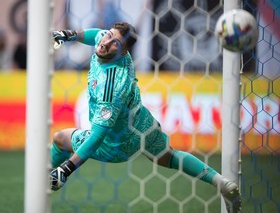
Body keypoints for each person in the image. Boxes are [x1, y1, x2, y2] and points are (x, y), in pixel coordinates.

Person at [50, 22, 241, 212]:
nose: (105, 42)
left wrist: (67, 168)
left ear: (124, 51)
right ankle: (221, 183)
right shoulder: (108, 42)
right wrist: (69, 34)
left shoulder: (112, 86)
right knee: (169, 157)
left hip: (118, 144)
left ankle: (44, 183)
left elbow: (98, 136)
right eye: (109, 35)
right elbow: (96, 35)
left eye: (114, 42)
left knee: (60, 139)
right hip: (143, 126)